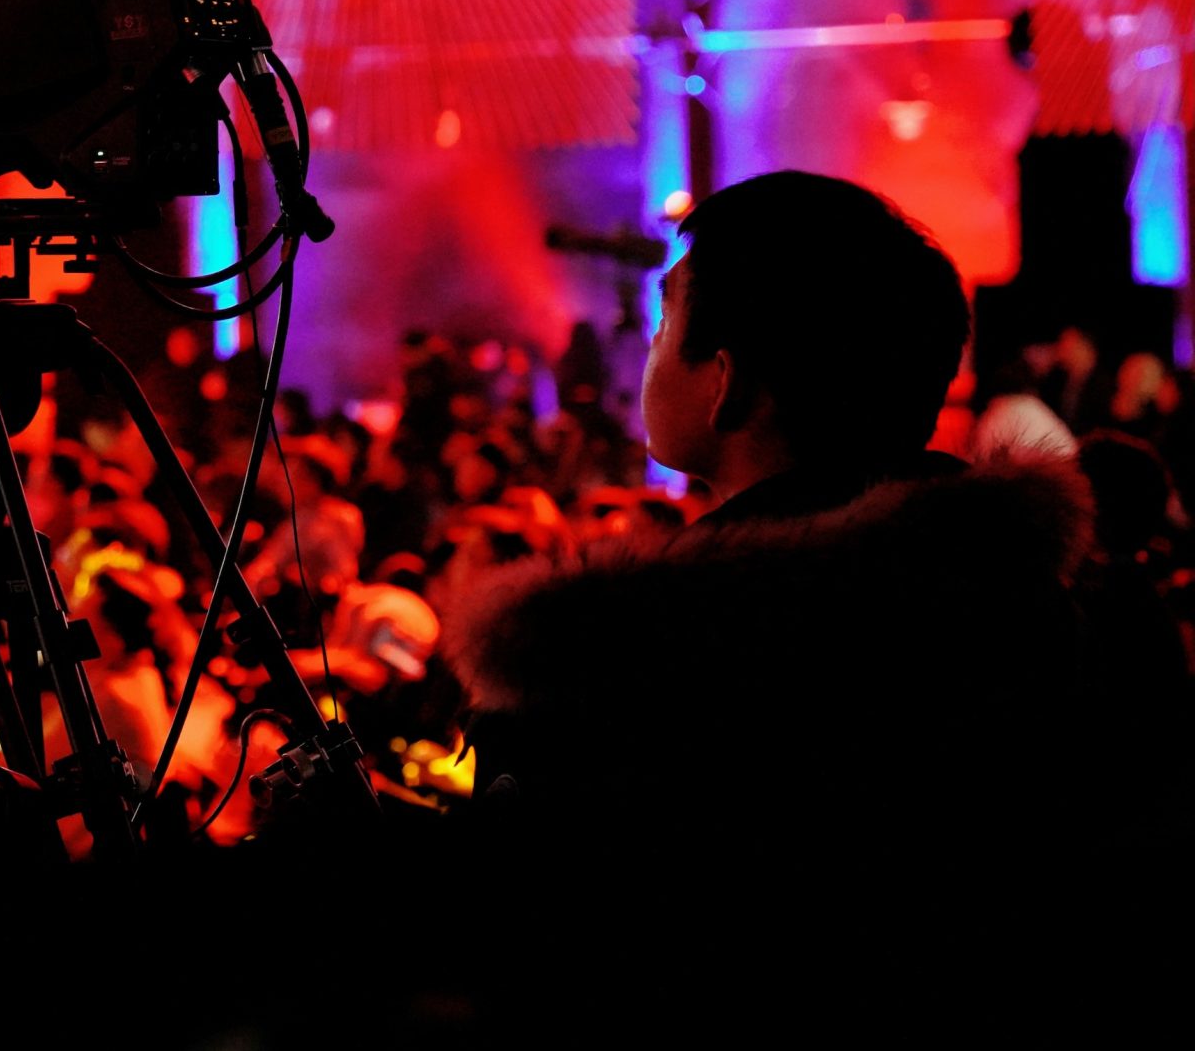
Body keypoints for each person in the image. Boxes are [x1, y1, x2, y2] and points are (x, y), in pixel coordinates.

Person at [446, 171, 1112, 868]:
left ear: (725, 383)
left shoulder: (638, 660)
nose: (649, 349)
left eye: (667, 323)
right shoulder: (1023, 601)